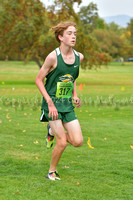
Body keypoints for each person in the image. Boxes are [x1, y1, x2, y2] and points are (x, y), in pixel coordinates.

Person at [35, 21, 84, 181]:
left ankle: (52, 130)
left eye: (75, 33)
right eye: (69, 33)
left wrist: (75, 95)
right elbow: (38, 80)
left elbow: (72, 77)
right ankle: (52, 171)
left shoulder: (79, 57)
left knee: (77, 141)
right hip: (52, 105)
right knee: (62, 143)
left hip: (67, 105)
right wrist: (49, 102)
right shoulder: (52, 57)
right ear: (60, 37)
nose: (73, 36)